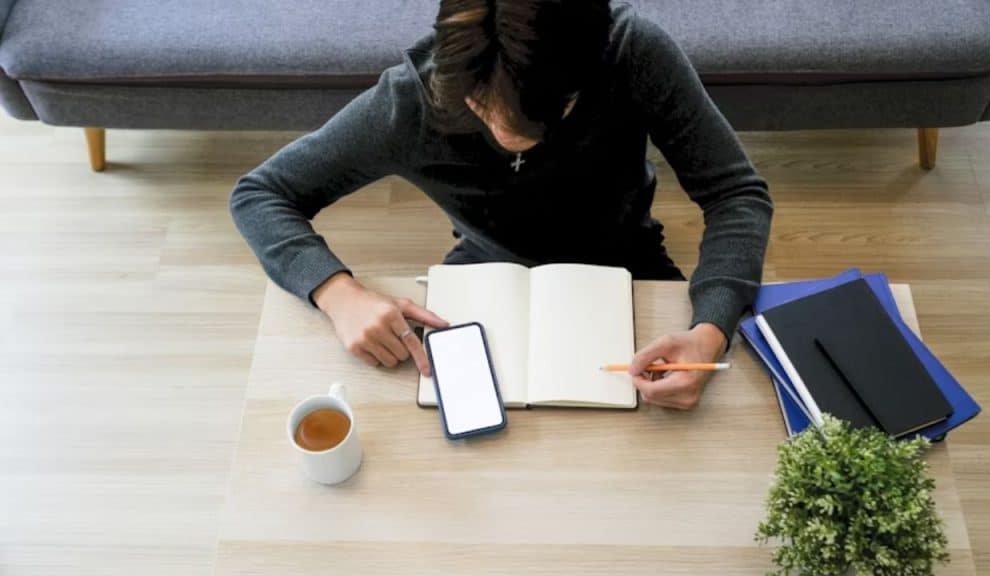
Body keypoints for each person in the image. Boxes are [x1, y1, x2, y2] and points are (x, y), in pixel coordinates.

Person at [231, 0, 773, 410]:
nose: (505, 132)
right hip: (485, 270)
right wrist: (336, 290)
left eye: (542, 114)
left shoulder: (632, 51)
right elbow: (260, 194)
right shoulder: (411, 101)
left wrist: (710, 329)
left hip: (630, 260)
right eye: (478, 105)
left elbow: (736, 193)